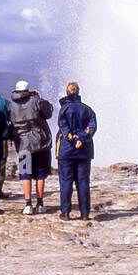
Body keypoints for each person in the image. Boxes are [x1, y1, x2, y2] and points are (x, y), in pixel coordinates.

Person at [8, 81, 54, 215]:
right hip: (40, 144)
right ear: (28, 90)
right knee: (41, 174)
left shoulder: (11, 107)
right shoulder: (36, 102)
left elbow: (10, 125)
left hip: (22, 145)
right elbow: (48, 113)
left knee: (25, 174)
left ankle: (28, 204)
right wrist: (38, 98)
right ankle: (40, 203)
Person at [56, 81, 97, 220]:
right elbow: (92, 127)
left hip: (66, 150)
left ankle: (66, 213)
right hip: (84, 151)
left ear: (67, 92)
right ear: (78, 92)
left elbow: (64, 127)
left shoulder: (64, 109)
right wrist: (82, 138)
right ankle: (84, 214)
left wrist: (74, 140)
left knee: (66, 181)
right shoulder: (88, 109)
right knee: (83, 182)